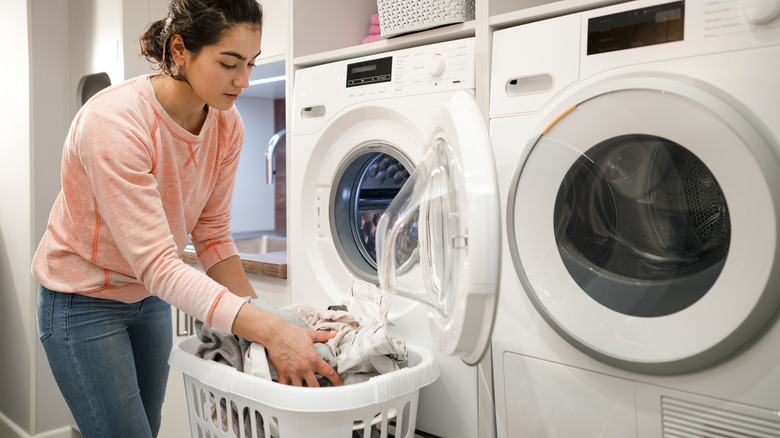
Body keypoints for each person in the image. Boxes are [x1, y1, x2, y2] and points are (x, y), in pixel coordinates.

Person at [31, 1, 342, 437]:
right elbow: (159, 264)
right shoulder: (115, 123)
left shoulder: (226, 125)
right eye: (229, 63)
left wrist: (269, 325)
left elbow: (212, 234)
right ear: (180, 50)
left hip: (148, 300)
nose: (244, 80)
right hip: (83, 302)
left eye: (250, 63)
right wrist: (269, 329)